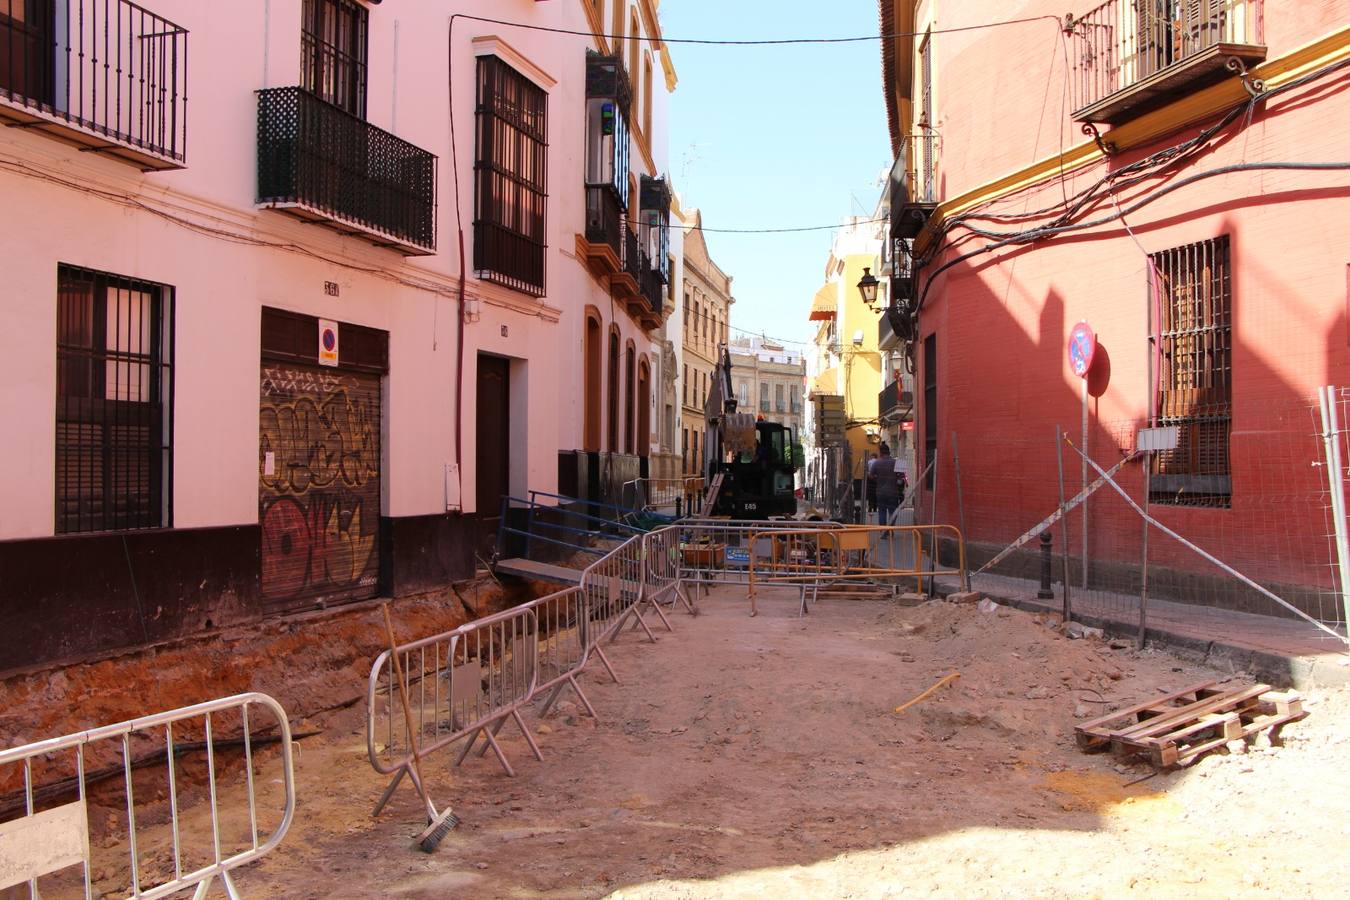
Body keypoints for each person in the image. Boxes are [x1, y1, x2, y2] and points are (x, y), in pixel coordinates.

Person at [867, 443, 901, 532]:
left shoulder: (877, 462)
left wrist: (877, 478)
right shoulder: (895, 462)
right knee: (892, 512)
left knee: (882, 512)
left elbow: (870, 476)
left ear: (880, 452)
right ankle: (890, 529)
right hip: (893, 492)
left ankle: (883, 531)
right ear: (889, 452)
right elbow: (901, 476)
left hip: (880, 492)